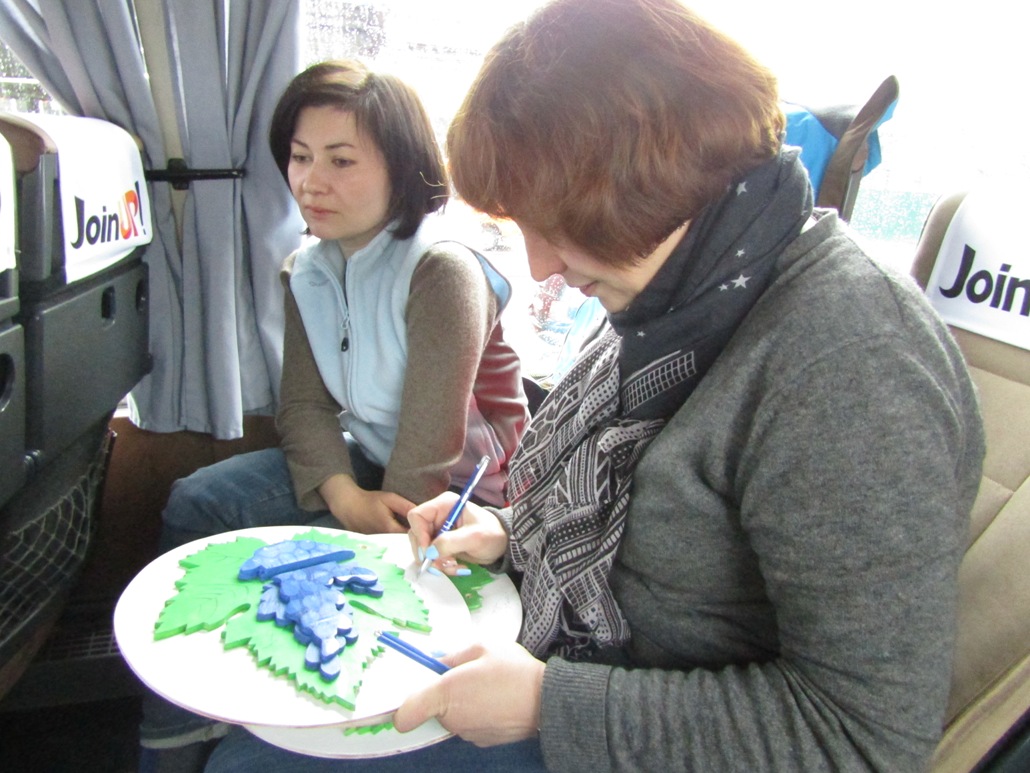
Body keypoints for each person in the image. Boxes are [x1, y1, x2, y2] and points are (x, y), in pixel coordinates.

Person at [204, 2, 985, 771]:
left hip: (619, 725)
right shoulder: (676, 286)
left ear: (645, 179)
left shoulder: (853, 365)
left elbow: (863, 737)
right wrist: (507, 531)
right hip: (555, 654)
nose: (540, 266)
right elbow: (622, 510)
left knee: (247, 765)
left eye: (555, 224)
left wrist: (550, 706)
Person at [138, 59, 529, 763]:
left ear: (402, 170)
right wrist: (343, 494)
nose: (311, 182)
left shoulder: (443, 270)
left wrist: (366, 513)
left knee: (319, 591)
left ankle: (299, 722)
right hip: (369, 465)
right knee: (199, 500)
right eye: (300, 156)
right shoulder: (308, 269)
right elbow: (304, 405)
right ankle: (184, 723)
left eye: (341, 161)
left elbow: (432, 448)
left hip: (465, 497)